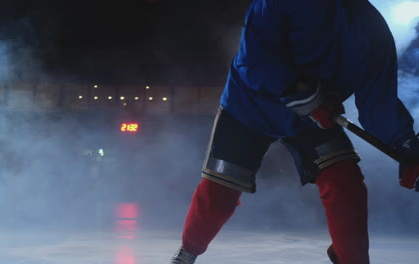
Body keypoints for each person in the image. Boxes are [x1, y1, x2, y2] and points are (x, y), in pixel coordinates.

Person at [170, 0, 419, 263]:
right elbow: (254, 61)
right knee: (220, 192)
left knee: (346, 184)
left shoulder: (373, 29)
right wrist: (299, 92)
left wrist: (406, 146)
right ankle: (188, 251)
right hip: (250, 107)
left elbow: (379, 103)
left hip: (314, 117)